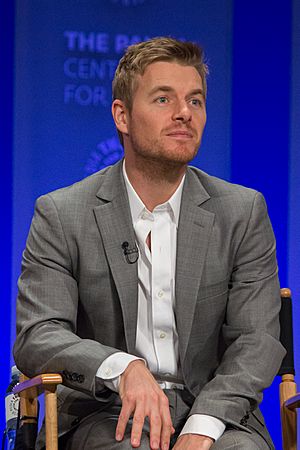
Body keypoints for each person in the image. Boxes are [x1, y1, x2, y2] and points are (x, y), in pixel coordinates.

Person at [14, 37, 285, 450]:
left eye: (195, 101)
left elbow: (257, 341)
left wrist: (203, 424)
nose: (183, 114)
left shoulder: (242, 213)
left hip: (219, 418)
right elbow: (39, 335)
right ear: (122, 116)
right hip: (107, 415)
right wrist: (122, 369)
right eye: (163, 99)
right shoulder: (62, 213)